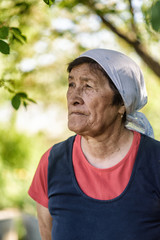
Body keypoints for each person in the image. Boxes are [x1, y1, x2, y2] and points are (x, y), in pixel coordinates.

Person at [28, 49, 160, 240]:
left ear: (122, 103)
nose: (74, 97)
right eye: (71, 84)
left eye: (88, 86)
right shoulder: (51, 163)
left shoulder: (155, 161)